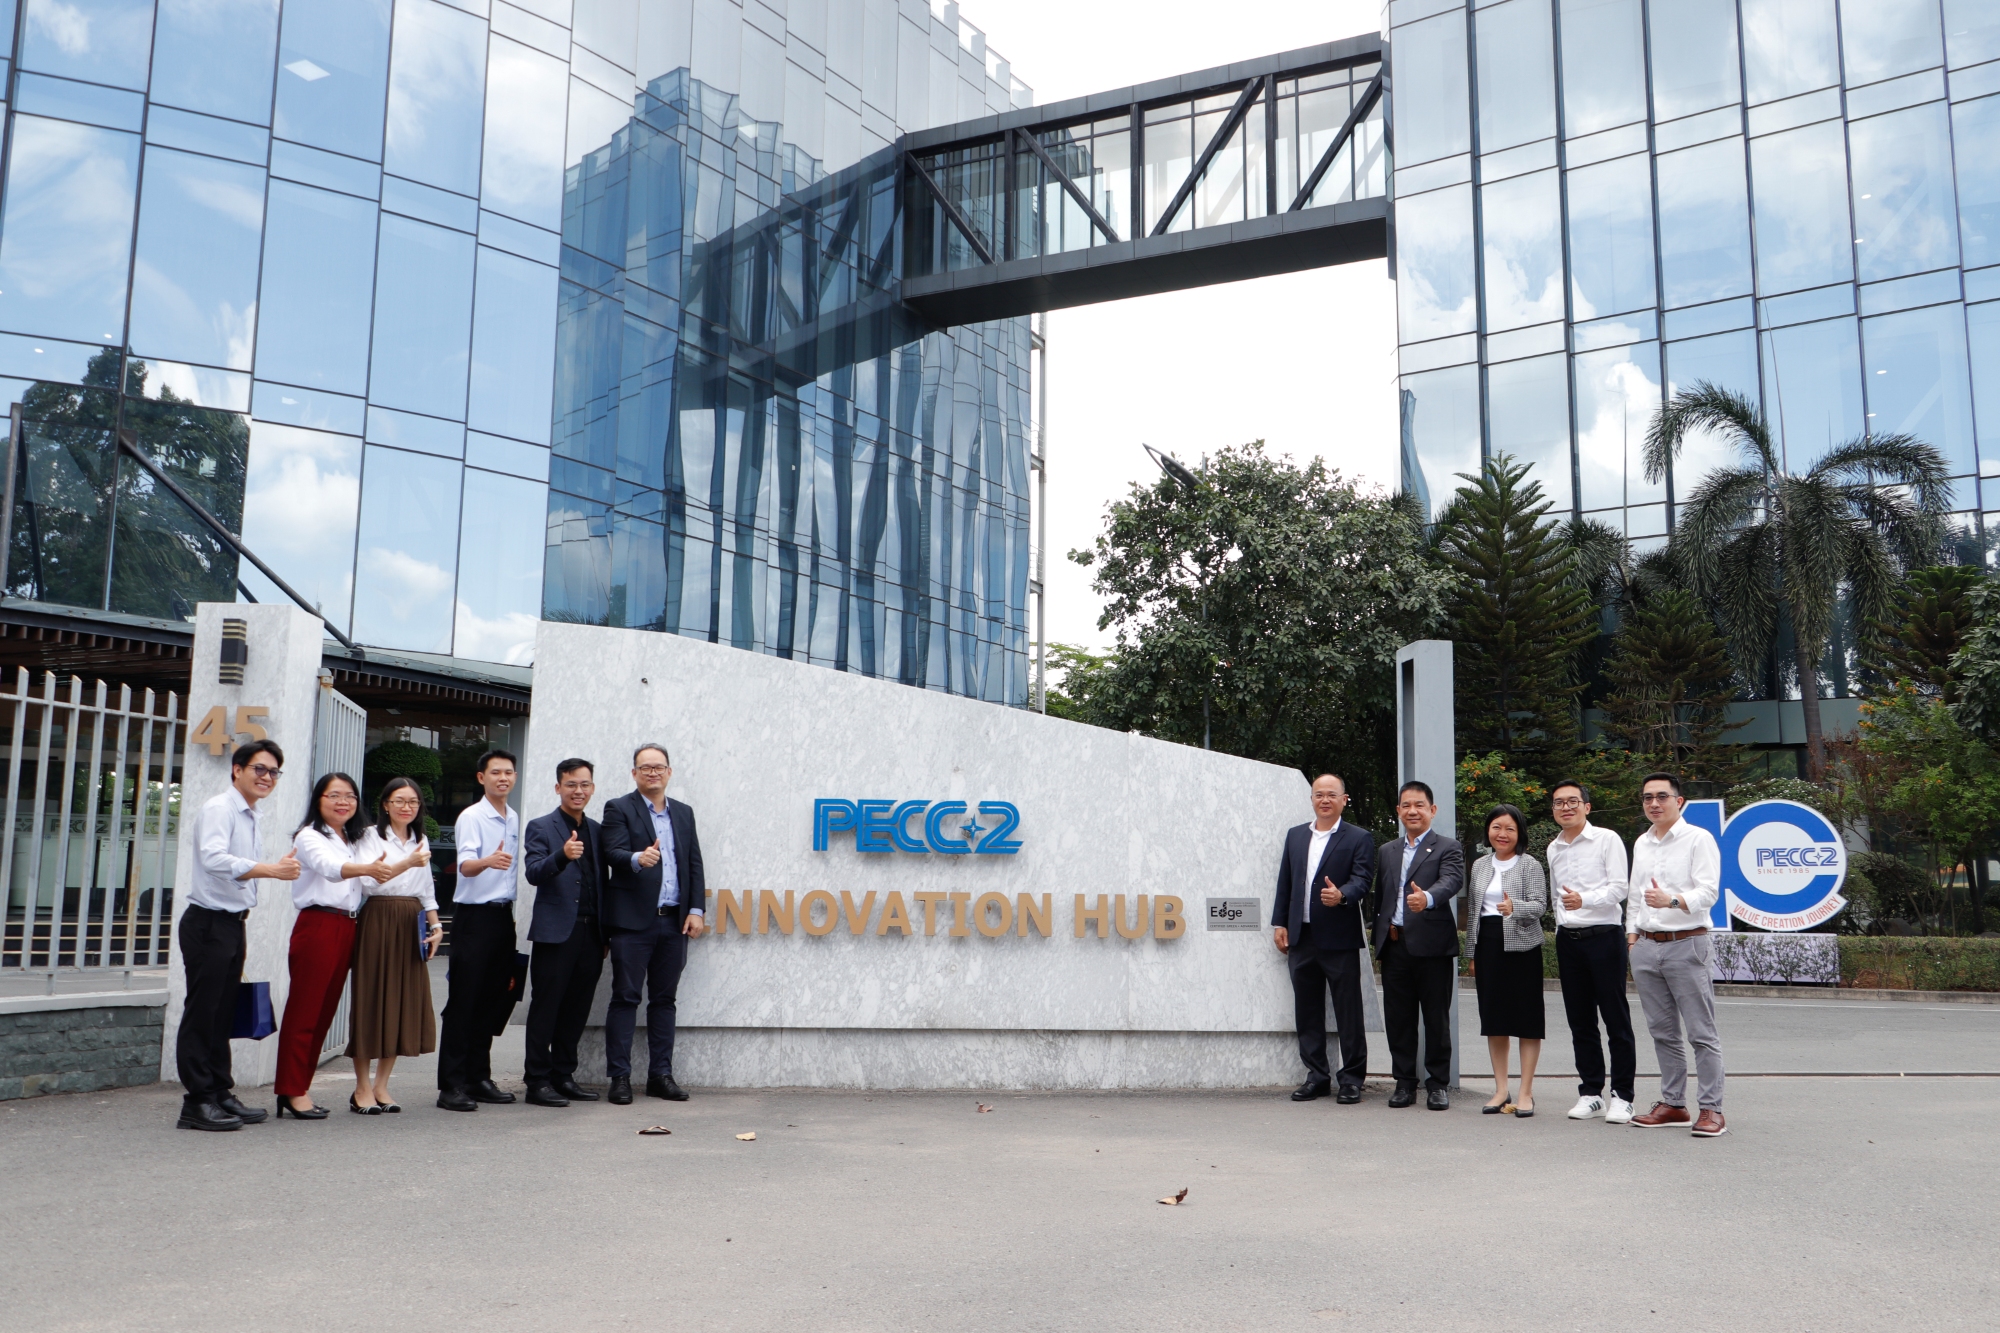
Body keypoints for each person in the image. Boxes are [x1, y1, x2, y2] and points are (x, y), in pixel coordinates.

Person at [175, 740, 300, 1131]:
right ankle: (197, 1101)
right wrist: (270, 870)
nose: (267, 777)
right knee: (203, 1012)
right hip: (208, 923)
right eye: (259, 769)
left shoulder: (250, 814)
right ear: (237, 770)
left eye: (273, 772)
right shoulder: (220, 808)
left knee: (222, 1011)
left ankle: (219, 1092)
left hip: (231, 923)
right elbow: (213, 859)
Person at [273, 773, 401, 1118]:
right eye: (334, 795)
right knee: (305, 1011)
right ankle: (291, 1089)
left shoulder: (352, 839)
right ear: (319, 799)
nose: (343, 802)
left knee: (324, 1013)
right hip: (318, 923)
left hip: (348, 925)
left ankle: (300, 1086)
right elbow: (330, 869)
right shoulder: (309, 836)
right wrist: (366, 868)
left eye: (350, 796)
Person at [599, 743, 706, 1105]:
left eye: (659, 767)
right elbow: (611, 851)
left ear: (669, 772)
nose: (653, 772)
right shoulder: (619, 808)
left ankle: (661, 1076)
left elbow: (694, 864)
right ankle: (619, 1077)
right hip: (632, 923)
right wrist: (636, 858)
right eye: (645, 767)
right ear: (634, 773)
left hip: (674, 922)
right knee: (625, 998)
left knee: (664, 1000)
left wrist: (696, 910)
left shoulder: (684, 813)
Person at [1626, 772, 1727, 1137]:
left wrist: (1671, 900)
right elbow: (1635, 895)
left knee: (1701, 1032)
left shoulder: (1698, 839)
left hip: (1687, 942)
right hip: (1646, 946)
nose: (1654, 803)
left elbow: (1709, 892)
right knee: (1662, 1032)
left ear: (1679, 801)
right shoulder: (1642, 842)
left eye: (1662, 796)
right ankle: (1673, 1104)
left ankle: (1712, 1109)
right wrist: (1632, 938)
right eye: (1647, 797)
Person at [1271, 774, 1374, 1103]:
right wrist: (1280, 923)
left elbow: (1362, 879)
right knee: (1307, 1011)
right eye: (1319, 795)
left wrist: (1342, 895)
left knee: (1348, 1012)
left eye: (1331, 794)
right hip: (1301, 937)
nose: (1324, 800)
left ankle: (1352, 1080)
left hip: (1339, 938)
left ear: (1344, 799)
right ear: (1312, 799)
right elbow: (1286, 882)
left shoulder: (1358, 837)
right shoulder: (1296, 836)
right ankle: (1316, 1077)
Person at [1545, 779, 1637, 1125]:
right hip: (1569, 940)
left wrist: (1585, 900)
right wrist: (1562, 924)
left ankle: (1623, 1096)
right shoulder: (1553, 848)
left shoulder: (1607, 839)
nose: (1565, 807)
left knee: (1615, 1019)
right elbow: (1556, 895)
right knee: (1580, 1021)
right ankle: (1591, 1092)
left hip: (1604, 937)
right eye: (1559, 802)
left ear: (1587, 806)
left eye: (1572, 801)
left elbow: (1620, 887)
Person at [346, 777, 440, 1113]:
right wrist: (407, 863)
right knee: (370, 1000)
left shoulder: (420, 839)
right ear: (385, 804)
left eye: (413, 802)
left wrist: (436, 926)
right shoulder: (369, 836)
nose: (406, 807)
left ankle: (381, 1085)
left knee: (403, 1001)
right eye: (399, 801)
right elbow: (369, 881)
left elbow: (426, 889)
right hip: (379, 918)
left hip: (411, 921)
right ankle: (361, 1087)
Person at [1369, 780, 1464, 1110]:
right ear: (1398, 810)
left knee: (1436, 1018)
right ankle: (1404, 1083)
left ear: (1432, 810)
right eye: (1406, 805)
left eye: (1419, 805)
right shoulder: (1388, 850)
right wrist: (1379, 939)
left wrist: (1428, 897)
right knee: (1399, 1019)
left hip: (1432, 947)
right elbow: (1381, 898)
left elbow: (1451, 880)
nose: (1413, 811)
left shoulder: (1447, 847)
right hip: (1395, 945)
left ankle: (1437, 1084)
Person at [437, 750, 522, 1113]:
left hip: (503, 917)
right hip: (474, 918)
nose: (503, 778)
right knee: (464, 1001)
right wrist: (488, 861)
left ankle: (478, 1077)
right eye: (496, 772)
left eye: (509, 772)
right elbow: (466, 865)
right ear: (481, 778)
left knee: (492, 999)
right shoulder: (471, 816)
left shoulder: (513, 817)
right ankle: (451, 1085)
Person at [521, 758, 609, 1107]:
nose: (578, 791)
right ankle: (537, 1081)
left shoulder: (598, 830)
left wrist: (606, 934)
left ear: (593, 788)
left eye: (585, 784)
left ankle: (563, 1075)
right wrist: (562, 855)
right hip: (556, 933)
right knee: (546, 1007)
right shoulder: (541, 827)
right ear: (558, 787)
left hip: (592, 933)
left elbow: (603, 883)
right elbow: (533, 872)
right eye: (571, 784)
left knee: (576, 1008)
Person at [1463, 804, 1548, 1117]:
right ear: (1488, 830)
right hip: (1487, 944)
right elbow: (1473, 911)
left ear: (1519, 833)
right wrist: (1471, 952)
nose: (1502, 834)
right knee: (1494, 1019)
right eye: (1497, 827)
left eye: (1510, 828)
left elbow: (1540, 905)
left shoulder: (1529, 864)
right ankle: (1501, 1089)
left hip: (1523, 948)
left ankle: (1525, 1092)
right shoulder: (1479, 865)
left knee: (1527, 1021)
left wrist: (1516, 908)